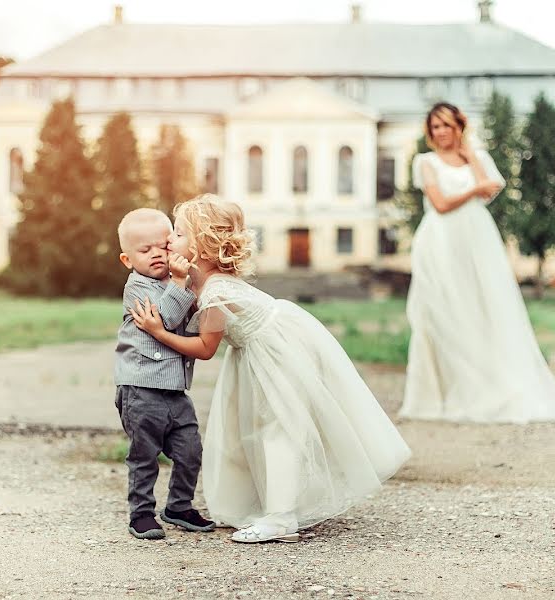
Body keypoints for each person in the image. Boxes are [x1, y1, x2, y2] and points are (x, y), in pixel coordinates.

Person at [131, 195, 411, 544]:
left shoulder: (215, 290)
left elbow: (205, 348)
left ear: (202, 246)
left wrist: (157, 332)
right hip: (260, 348)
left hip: (276, 350)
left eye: (179, 234)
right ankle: (276, 506)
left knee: (278, 426)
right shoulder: (202, 280)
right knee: (259, 428)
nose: (169, 241)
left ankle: (280, 517)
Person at [400, 102, 555, 424]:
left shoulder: (476, 157)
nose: (441, 132)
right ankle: (444, 392)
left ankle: (487, 385)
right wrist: (474, 189)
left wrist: (471, 157)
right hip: (440, 241)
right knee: (444, 311)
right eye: (435, 127)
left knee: (482, 307)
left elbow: (489, 190)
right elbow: (440, 204)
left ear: (459, 127)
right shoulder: (426, 163)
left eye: (447, 125)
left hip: (476, 239)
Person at [113, 208, 215, 540]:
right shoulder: (137, 289)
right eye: (146, 250)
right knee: (144, 455)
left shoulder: (173, 280)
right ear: (127, 260)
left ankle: (179, 506)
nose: (157, 254)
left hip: (174, 390)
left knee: (190, 450)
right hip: (140, 389)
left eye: (162, 246)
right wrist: (181, 281)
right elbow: (169, 319)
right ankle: (141, 514)